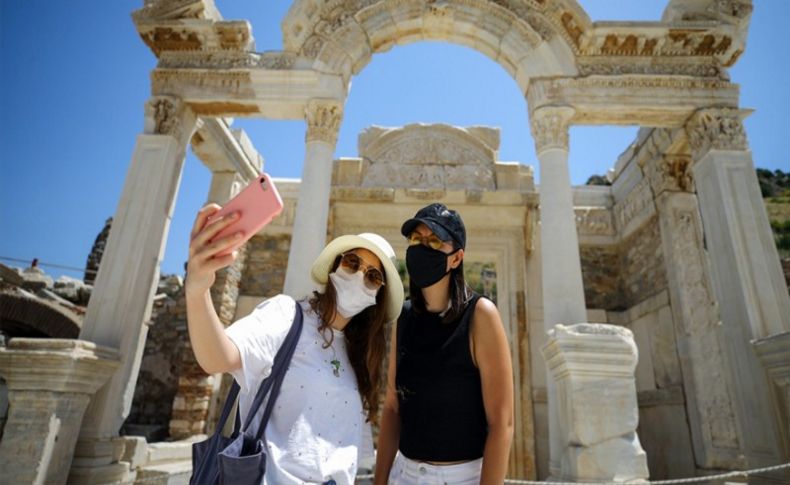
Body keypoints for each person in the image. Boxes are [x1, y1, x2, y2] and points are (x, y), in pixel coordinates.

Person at [185, 204, 404, 485]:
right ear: (335, 265)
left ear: (379, 294)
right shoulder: (286, 314)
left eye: (373, 276)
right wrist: (197, 290)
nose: (360, 276)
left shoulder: (358, 359)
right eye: (353, 262)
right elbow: (217, 358)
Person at [374, 203, 514, 485]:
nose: (422, 247)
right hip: (405, 475)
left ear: (456, 258)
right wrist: (379, 481)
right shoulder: (403, 317)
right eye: (416, 239)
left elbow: (502, 423)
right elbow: (392, 407)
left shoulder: (481, 315)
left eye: (434, 241)